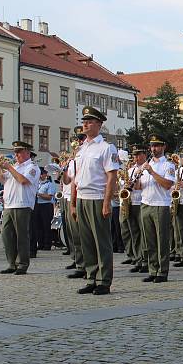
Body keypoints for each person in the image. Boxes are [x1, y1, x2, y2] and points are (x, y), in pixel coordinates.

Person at [70, 106, 120, 295]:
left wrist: (107, 202)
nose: (85, 124)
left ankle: (104, 280)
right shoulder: (81, 148)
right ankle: (91, 276)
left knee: (101, 241)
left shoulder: (106, 148)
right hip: (82, 197)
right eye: (84, 121)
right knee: (87, 241)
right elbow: (76, 178)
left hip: (98, 197)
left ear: (99, 124)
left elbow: (111, 177)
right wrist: (74, 203)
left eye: (89, 121)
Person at [136, 134, 176, 284]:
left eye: (157, 146)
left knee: (162, 240)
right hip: (145, 203)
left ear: (163, 147)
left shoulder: (168, 165)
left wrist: (152, 172)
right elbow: (139, 187)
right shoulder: (146, 164)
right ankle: (153, 270)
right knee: (150, 241)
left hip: (161, 205)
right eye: (152, 146)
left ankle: (163, 271)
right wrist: (135, 180)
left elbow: (167, 184)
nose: (154, 149)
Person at [0, 142, 40, 273]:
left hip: (23, 204)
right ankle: (11, 263)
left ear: (27, 152)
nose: (16, 155)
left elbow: (23, 180)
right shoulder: (14, 166)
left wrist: (9, 168)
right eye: (15, 152)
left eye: (18, 152)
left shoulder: (32, 167)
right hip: (9, 205)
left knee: (22, 235)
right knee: (6, 235)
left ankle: (22, 264)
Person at [61, 126, 86, 277]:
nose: (78, 143)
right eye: (76, 140)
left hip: (84, 198)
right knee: (74, 234)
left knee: (84, 235)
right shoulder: (72, 160)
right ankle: (78, 261)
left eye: (80, 139)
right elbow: (67, 180)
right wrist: (64, 170)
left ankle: (87, 264)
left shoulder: (86, 155)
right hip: (71, 197)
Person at [121, 145, 148, 273]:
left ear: (144, 155)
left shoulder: (147, 168)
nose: (135, 158)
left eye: (138, 155)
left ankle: (145, 260)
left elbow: (144, 186)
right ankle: (138, 259)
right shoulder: (131, 170)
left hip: (142, 202)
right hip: (131, 202)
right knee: (134, 233)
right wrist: (125, 185)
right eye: (134, 155)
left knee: (144, 234)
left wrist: (135, 184)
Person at [33, 168, 56, 252]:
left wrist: (38, 194)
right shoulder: (37, 184)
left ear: (45, 175)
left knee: (46, 225)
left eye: (41, 174)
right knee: (38, 226)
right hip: (37, 205)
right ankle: (40, 243)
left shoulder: (49, 184)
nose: (40, 176)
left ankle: (47, 244)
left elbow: (49, 197)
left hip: (46, 206)